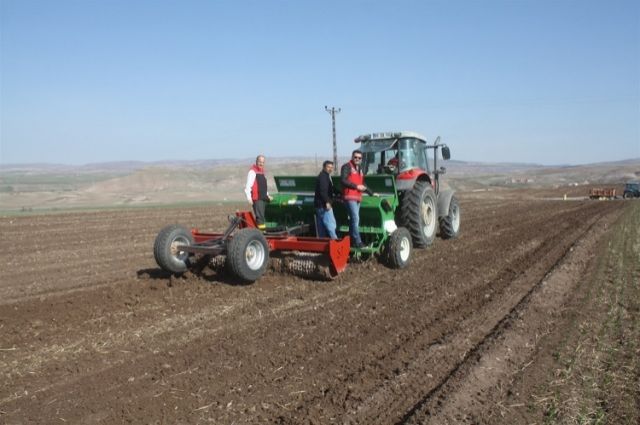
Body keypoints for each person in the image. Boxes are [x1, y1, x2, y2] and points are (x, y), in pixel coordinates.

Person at [341, 149, 373, 248]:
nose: (357, 159)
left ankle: (351, 241)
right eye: (355, 157)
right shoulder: (346, 166)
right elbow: (343, 180)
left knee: (353, 220)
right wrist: (356, 187)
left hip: (357, 198)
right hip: (349, 197)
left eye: (359, 158)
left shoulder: (360, 169)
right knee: (355, 218)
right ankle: (358, 242)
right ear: (352, 157)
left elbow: (362, 183)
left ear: (361, 159)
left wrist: (371, 193)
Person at [244, 155, 272, 230]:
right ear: (256, 161)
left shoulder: (262, 172)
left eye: (263, 162)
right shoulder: (252, 172)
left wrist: (268, 195)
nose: (261, 164)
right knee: (260, 217)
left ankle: (262, 233)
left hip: (263, 198)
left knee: (262, 217)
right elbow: (248, 186)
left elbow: (263, 187)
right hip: (257, 198)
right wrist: (249, 198)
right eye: (260, 162)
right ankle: (262, 234)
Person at [314, 160, 338, 239]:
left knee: (321, 228)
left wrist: (339, 192)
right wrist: (328, 202)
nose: (330, 169)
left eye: (331, 167)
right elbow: (323, 192)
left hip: (319, 205)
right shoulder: (323, 177)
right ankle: (336, 244)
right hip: (324, 206)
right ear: (324, 167)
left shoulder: (324, 176)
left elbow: (331, 188)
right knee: (331, 225)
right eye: (328, 167)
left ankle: (322, 244)